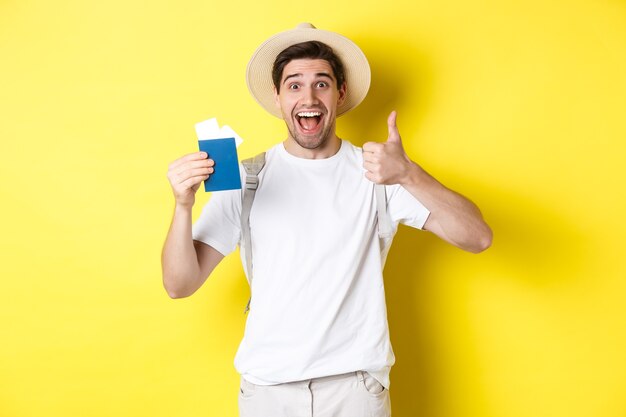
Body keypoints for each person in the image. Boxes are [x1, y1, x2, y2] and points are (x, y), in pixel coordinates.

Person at [162, 23, 492, 417]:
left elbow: (478, 238)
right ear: (279, 97)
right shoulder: (247, 177)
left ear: (340, 93)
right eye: (295, 84)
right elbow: (179, 284)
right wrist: (183, 205)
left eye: (322, 83)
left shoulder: (378, 174)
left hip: (355, 390)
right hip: (268, 391)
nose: (309, 96)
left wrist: (408, 174)